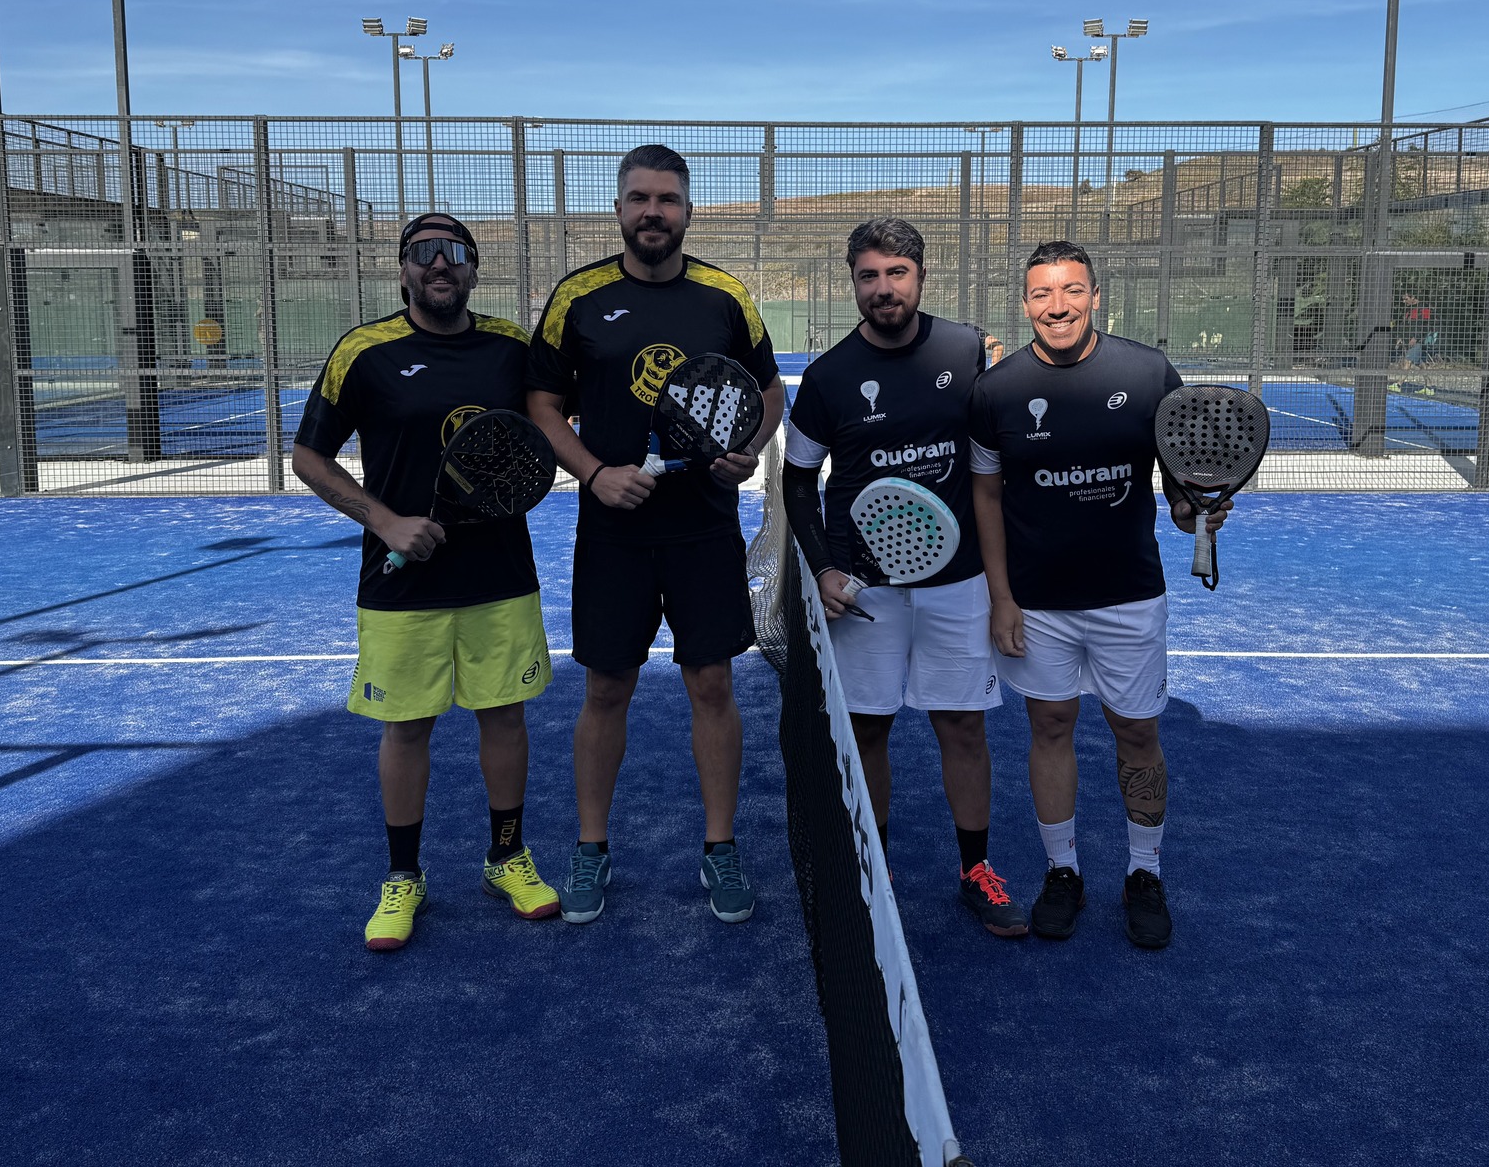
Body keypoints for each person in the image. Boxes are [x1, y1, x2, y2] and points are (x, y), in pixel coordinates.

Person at [525, 144, 784, 925]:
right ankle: (591, 847)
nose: (652, 212)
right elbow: (542, 404)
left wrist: (745, 449)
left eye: (667, 199)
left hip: (703, 529)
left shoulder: (724, 296)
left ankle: (720, 847)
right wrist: (594, 473)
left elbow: (768, 391)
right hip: (614, 534)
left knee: (713, 684)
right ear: (618, 209)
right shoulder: (578, 297)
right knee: (607, 688)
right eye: (639, 198)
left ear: (687, 211)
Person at [291, 213, 559, 953]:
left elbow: (556, 423)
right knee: (406, 726)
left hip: (500, 574)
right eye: (424, 253)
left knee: (504, 716)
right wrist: (384, 521)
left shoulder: (512, 348)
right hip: (400, 584)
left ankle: (506, 856)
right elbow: (309, 456)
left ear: (474, 268)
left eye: (455, 252)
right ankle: (403, 875)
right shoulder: (364, 351)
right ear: (403, 269)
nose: (440, 264)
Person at [968, 241, 1230, 948]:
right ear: (1025, 303)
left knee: (1137, 733)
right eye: (1043, 293)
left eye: (1072, 291)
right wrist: (1001, 596)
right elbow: (986, 496)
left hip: (1128, 595)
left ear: (1095, 296)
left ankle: (1144, 872)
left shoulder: (1148, 373)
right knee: (1050, 727)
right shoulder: (995, 392)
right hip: (1037, 603)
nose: (1058, 307)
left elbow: (1180, 492)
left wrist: (1196, 512)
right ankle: (1063, 872)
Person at [782, 218, 1027, 938]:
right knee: (868, 727)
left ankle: (976, 871)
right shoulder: (827, 377)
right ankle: (875, 871)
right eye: (869, 275)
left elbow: (1000, 452)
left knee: (963, 725)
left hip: (958, 582)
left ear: (921, 276)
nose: (883, 288)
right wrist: (824, 566)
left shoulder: (967, 349)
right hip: (865, 590)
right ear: (853, 282)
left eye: (896, 273)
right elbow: (798, 482)